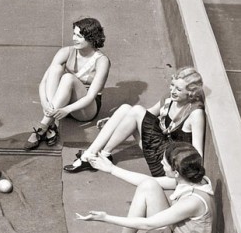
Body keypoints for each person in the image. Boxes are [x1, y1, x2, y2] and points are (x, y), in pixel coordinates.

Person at [2, 142, 216, 233]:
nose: (161, 164)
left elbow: (148, 224)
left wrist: (105, 217)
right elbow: (145, 182)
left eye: (165, 163)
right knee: (148, 185)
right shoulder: (193, 179)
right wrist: (111, 169)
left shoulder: (192, 202)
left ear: (176, 172)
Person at [63, 66, 205, 176]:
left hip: (168, 164)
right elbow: (148, 114)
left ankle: (97, 156)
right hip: (158, 146)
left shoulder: (195, 113)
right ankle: (96, 155)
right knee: (126, 109)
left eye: (178, 89)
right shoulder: (170, 98)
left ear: (191, 92)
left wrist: (186, 179)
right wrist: (115, 120)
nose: (172, 90)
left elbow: (197, 155)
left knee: (136, 110)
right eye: (172, 85)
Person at [25, 17, 110, 151]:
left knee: (68, 78)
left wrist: (66, 110)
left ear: (92, 38)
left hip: (85, 109)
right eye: (74, 34)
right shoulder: (65, 52)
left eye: (79, 36)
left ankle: (43, 126)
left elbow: (90, 97)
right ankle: (51, 123)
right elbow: (44, 82)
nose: (74, 38)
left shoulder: (102, 61)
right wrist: (44, 103)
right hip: (60, 104)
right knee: (56, 68)